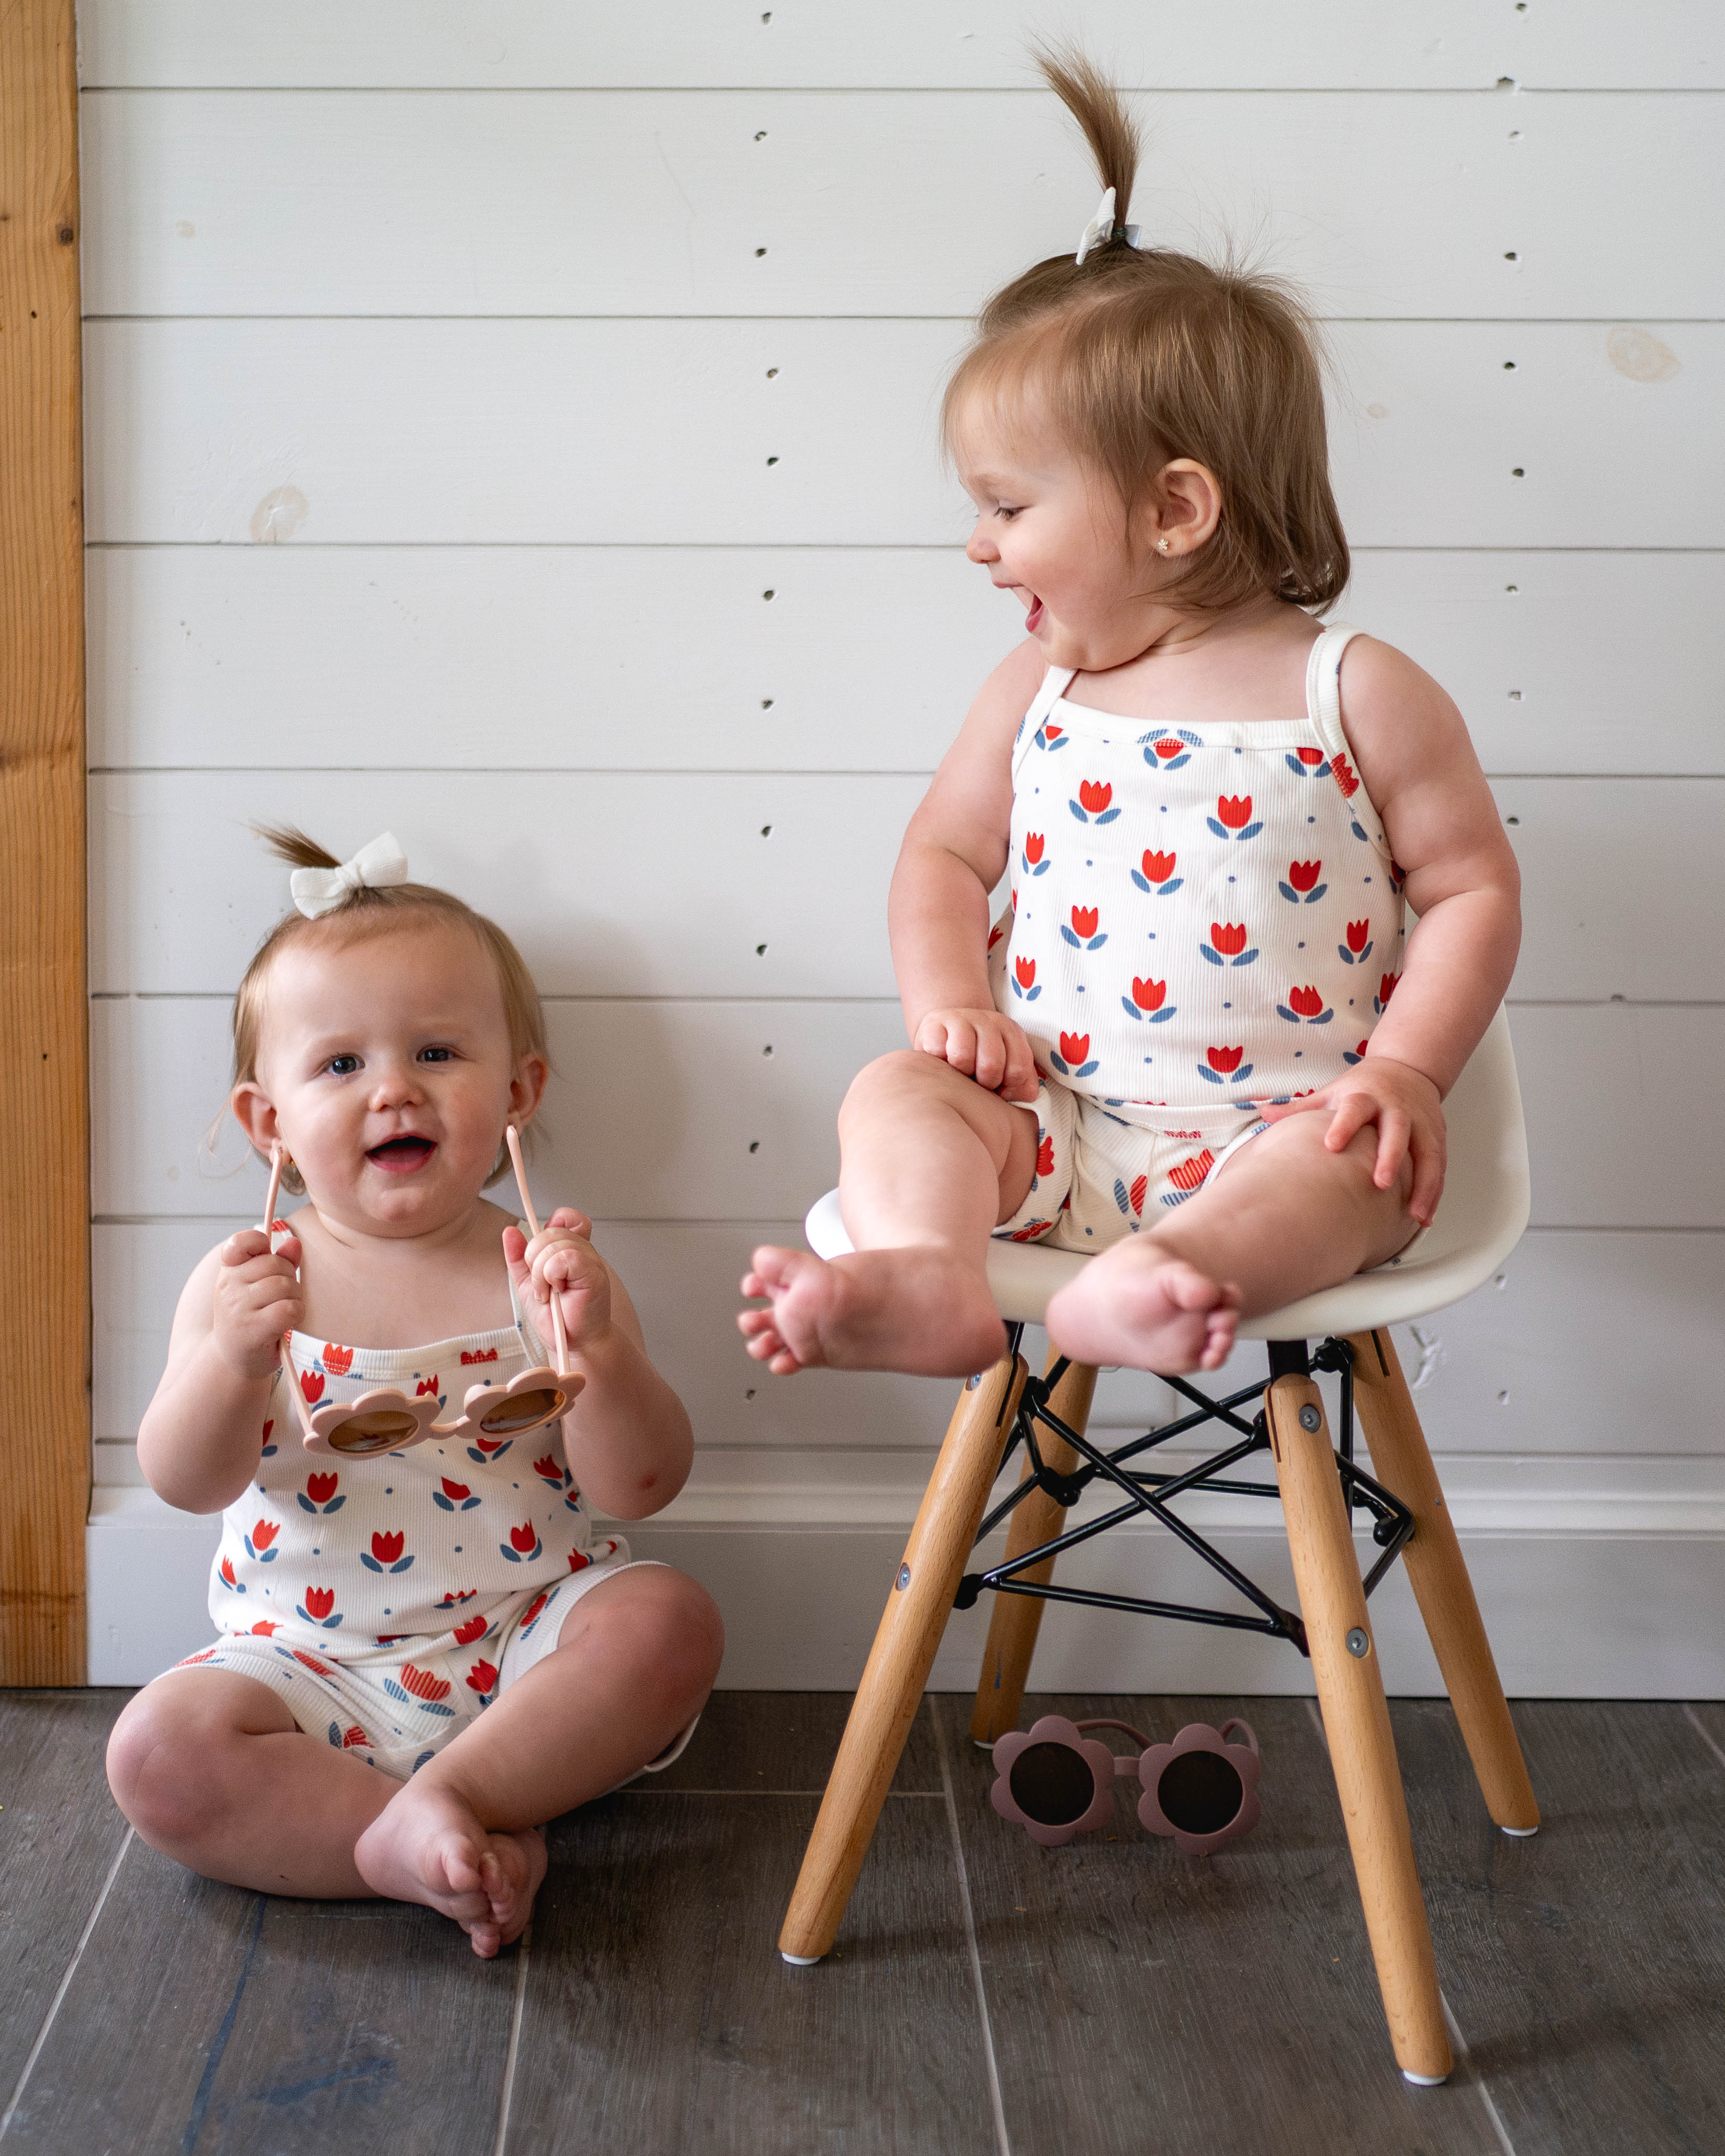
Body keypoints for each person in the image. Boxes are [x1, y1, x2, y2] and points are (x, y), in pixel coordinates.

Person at [739, 51, 1518, 1382]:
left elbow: (1470, 890)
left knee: (1353, 1175)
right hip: (1045, 1120)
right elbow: (943, 855)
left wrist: (1404, 1073)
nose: (981, 547)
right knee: (894, 1095)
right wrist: (946, 1011)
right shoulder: (1037, 691)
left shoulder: (1356, 691)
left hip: (1284, 1129)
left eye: (1007, 505)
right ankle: (928, 1277)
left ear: (1173, 510)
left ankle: (1174, 1277)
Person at [107, 830, 723, 1956]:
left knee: (670, 1622)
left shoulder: (543, 1271)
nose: (393, 1088)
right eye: (340, 1066)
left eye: (437, 1052)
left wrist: (599, 1360)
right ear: (269, 1123)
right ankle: (440, 1843)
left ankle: (459, 1805)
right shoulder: (252, 1286)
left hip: (529, 1642)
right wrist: (233, 1368)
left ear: (518, 1091)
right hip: (308, 1667)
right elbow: (184, 1481)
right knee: (156, 1756)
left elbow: (640, 1490)